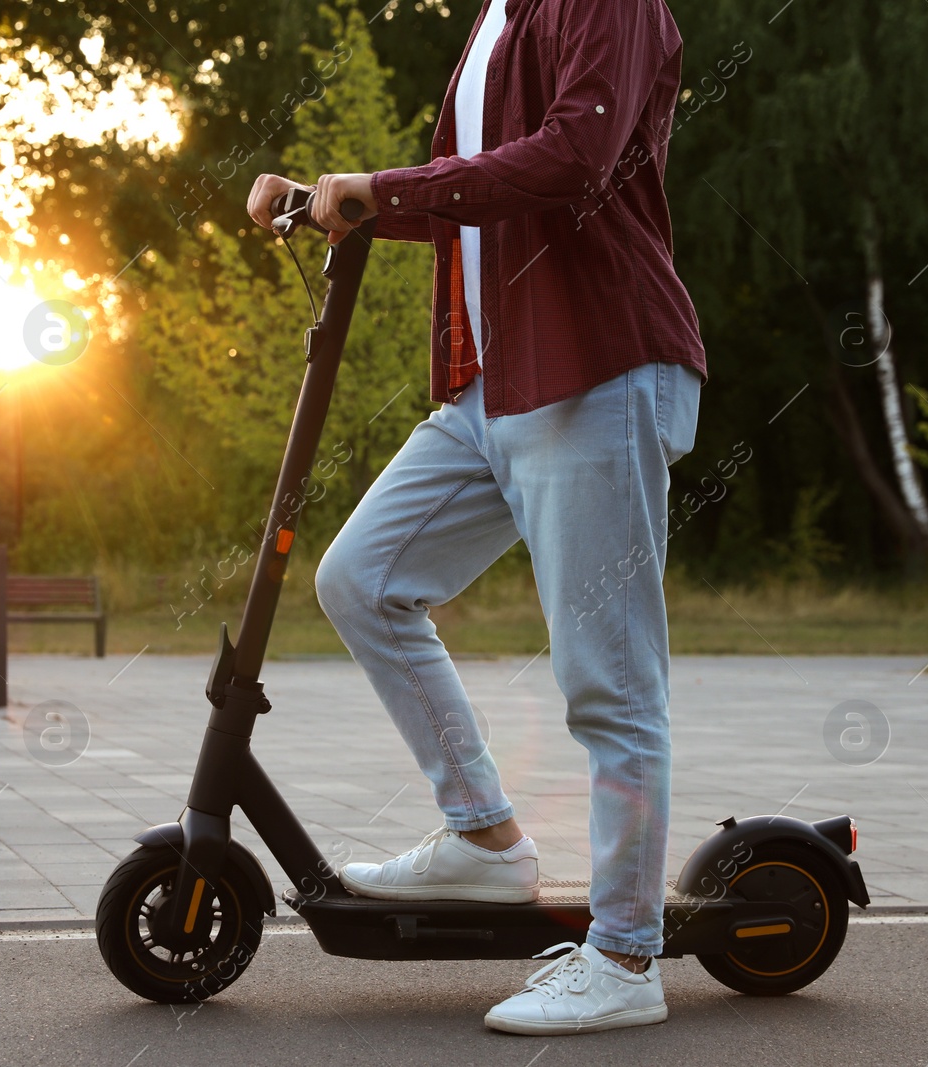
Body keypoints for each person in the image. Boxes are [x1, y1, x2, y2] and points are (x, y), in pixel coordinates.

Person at [246, 0, 706, 1036]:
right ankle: (487, 842)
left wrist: (383, 188)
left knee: (608, 678)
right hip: (493, 387)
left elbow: (573, 157)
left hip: (597, 367)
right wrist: (333, 199)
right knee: (360, 579)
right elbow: (473, 192)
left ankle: (627, 954)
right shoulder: (501, 13)